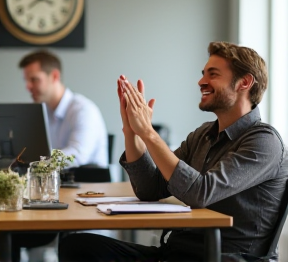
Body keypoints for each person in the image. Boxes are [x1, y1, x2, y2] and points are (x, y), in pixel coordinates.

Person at [58, 41, 288, 262]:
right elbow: (150, 188)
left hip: (223, 258)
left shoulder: (264, 142)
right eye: (203, 73)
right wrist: (132, 132)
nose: (201, 81)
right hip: (175, 254)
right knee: (77, 246)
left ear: (244, 83)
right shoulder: (203, 134)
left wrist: (149, 133)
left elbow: (200, 193)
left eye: (213, 74)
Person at [11, 50, 108, 262]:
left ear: (54, 76)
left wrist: (34, 165)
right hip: (52, 197)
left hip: (83, 202)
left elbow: (77, 154)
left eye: (34, 79)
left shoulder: (83, 110)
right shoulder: (41, 113)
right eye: (26, 80)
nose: (28, 86)